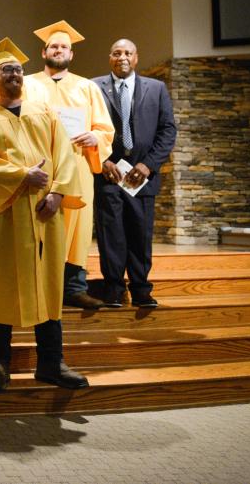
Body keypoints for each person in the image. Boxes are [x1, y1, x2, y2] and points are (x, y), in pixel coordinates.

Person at [0, 38, 89, 390]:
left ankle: (51, 363)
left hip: (44, 213)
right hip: (6, 214)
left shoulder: (44, 112)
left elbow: (64, 155)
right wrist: (22, 175)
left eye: (19, 70)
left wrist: (56, 192)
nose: (15, 75)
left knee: (49, 286)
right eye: (7, 70)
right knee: (3, 285)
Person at [23, 20, 114, 310]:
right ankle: (36, 288)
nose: (58, 50)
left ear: (71, 54)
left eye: (64, 47)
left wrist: (94, 136)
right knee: (38, 222)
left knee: (76, 227)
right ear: (43, 51)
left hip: (76, 165)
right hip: (41, 165)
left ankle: (74, 288)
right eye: (53, 46)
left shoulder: (87, 88)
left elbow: (105, 129)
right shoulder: (27, 84)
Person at [92, 39, 177, 308]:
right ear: (110, 58)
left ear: (136, 58)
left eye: (128, 52)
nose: (122, 57)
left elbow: (167, 130)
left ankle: (141, 289)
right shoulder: (93, 88)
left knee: (140, 235)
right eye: (117, 52)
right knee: (111, 235)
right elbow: (84, 127)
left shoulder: (157, 88)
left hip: (141, 175)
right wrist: (102, 160)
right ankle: (114, 288)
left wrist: (148, 164)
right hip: (109, 174)